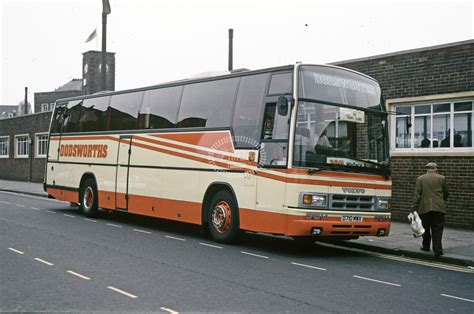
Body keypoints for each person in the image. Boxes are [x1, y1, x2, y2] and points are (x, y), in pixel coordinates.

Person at [410, 162, 449, 257]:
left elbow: (417, 195)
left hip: (424, 207)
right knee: (437, 229)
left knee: (426, 228)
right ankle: (438, 250)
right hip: (439, 207)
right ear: (435, 169)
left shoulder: (420, 179)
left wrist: (413, 207)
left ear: (426, 169)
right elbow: (446, 192)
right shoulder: (442, 178)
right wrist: (442, 201)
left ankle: (426, 246)